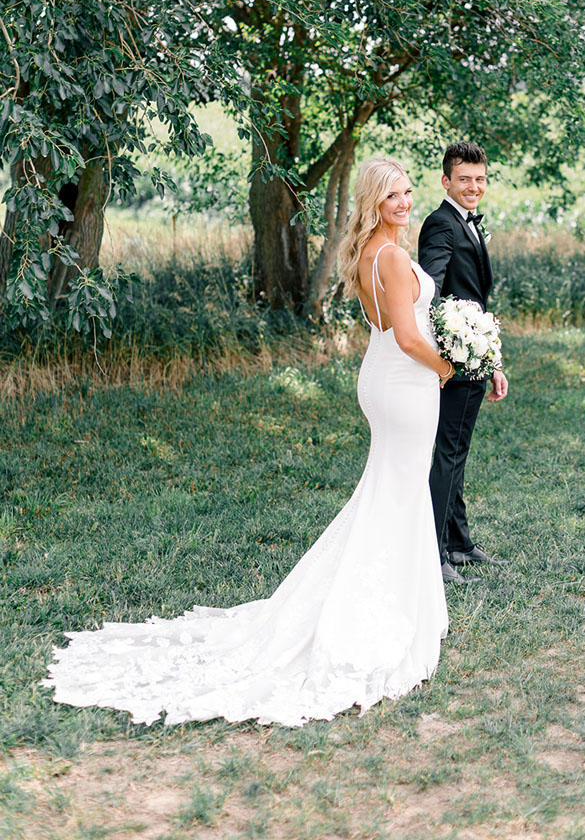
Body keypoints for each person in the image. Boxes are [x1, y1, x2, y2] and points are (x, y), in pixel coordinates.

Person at [41, 157, 452, 727]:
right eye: (392, 197)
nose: (405, 203)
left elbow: (390, 330)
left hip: (380, 377)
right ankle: (375, 613)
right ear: (374, 203)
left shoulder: (365, 255)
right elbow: (410, 337)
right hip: (407, 381)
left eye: (408, 192)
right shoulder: (397, 258)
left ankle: (383, 595)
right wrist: (448, 365)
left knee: (389, 489)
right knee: (400, 491)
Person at [417, 141, 509, 585]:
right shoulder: (441, 224)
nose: (474, 187)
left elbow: (473, 296)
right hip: (454, 360)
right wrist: (446, 355)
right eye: (465, 179)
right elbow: (431, 294)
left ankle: (459, 542)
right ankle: (434, 555)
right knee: (448, 455)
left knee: (457, 453)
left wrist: (489, 360)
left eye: (480, 179)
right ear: (446, 181)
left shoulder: (467, 222)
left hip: (475, 355)